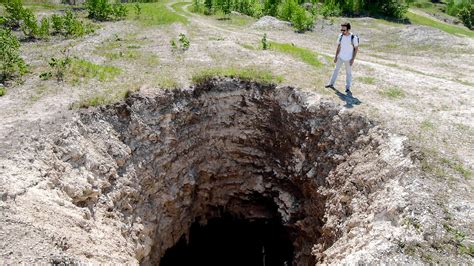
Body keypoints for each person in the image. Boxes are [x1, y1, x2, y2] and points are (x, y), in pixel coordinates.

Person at [325, 22, 359, 93]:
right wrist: (336, 57)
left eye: (344, 30)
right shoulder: (340, 36)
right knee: (336, 70)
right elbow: (338, 46)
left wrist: (352, 59)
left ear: (348, 29)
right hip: (340, 57)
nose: (342, 31)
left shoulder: (353, 38)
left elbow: (356, 48)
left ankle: (347, 88)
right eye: (341, 30)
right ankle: (331, 84)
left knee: (348, 73)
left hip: (349, 58)